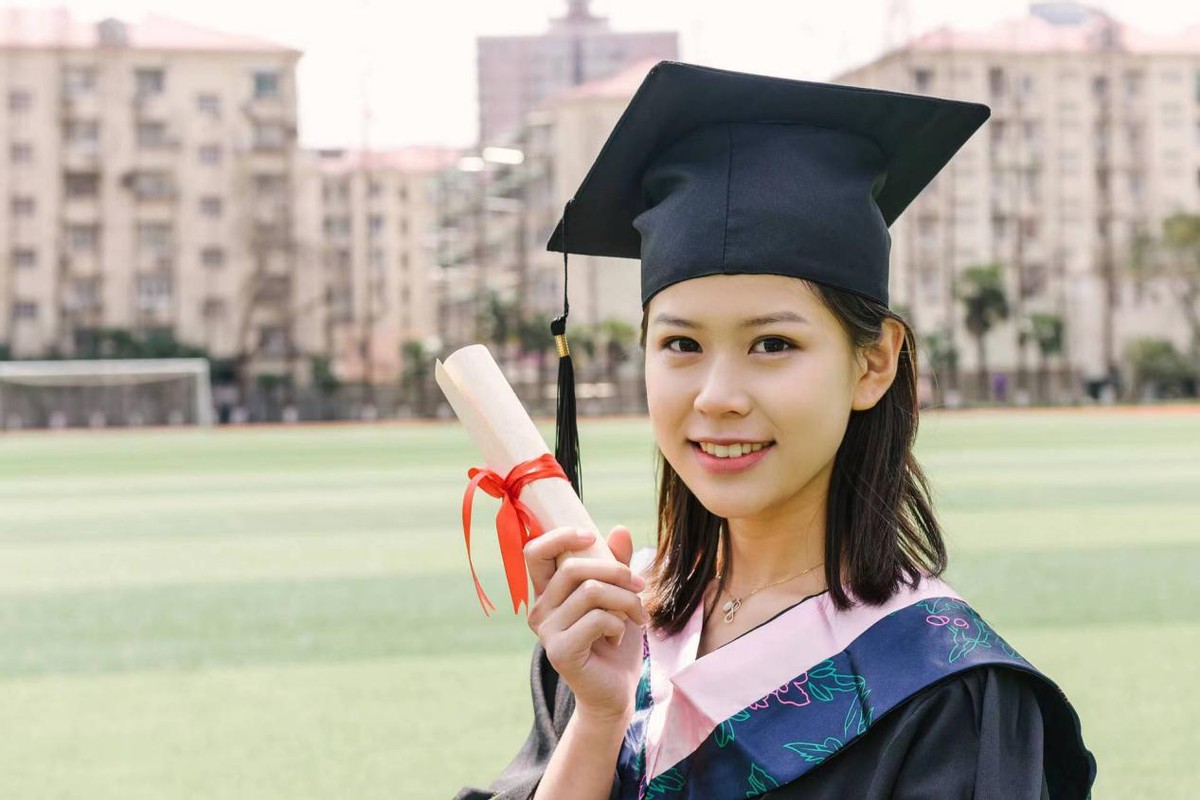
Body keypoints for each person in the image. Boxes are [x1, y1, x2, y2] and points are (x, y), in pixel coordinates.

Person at [455, 61, 1095, 800]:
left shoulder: (944, 692)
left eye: (773, 345)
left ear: (873, 363)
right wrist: (597, 719)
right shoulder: (608, 630)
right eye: (681, 345)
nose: (718, 396)